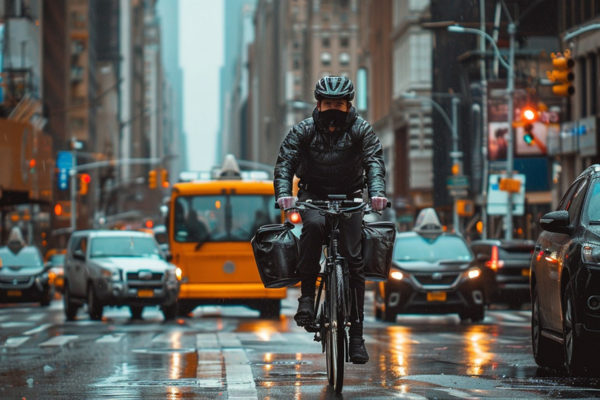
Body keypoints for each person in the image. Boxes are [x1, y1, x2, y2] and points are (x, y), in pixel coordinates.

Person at [274, 76, 387, 364]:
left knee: (354, 259)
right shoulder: (303, 131)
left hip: (350, 196)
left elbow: (374, 161)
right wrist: (284, 194)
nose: (333, 109)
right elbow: (285, 161)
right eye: (328, 104)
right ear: (319, 104)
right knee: (311, 227)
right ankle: (308, 298)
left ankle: (357, 336)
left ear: (348, 105)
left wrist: (376, 193)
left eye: (338, 104)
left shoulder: (362, 130)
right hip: (313, 196)